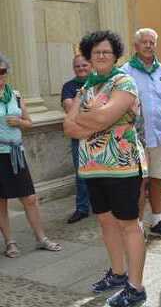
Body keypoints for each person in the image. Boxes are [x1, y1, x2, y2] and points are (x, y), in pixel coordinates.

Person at [63, 31, 147, 307]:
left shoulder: (123, 81)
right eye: (96, 52)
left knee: (129, 225)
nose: (101, 56)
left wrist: (85, 120)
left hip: (121, 166)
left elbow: (104, 117)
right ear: (89, 56)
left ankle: (136, 288)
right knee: (106, 222)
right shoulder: (87, 86)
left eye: (106, 52)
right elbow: (68, 127)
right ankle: (118, 274)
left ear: (115, 55)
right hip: (92, 166)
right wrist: (92, 121)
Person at [0, 53, 61, 258]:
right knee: (1, 201)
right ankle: (10, 242)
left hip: (16, 153)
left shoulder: (15, 95)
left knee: (30, 198)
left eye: (2, 71)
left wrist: (19, 123)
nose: (0, 75)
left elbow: (29, 123)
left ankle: (41, 238)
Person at [121, 28, 161, 240]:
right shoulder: (126, 72)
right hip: (135, 139)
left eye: (152, 42)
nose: (148, 45)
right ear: (135, 46)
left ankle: (156, 221)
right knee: (138, 183)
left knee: (156, 178)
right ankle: (137, 226)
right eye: (144, 42)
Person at [61, 55, 92, 224]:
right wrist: (92, 110)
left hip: (99, 134)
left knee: (103, 170)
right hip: (78, 135)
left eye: (84, 65)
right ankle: (82, 208)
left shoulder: (98, 83)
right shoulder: (69, 86)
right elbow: (69, 108)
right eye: (77, 66)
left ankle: (103, 205)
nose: (81, 68)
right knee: (81, 174)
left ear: (91, 65)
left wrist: (79, 107)